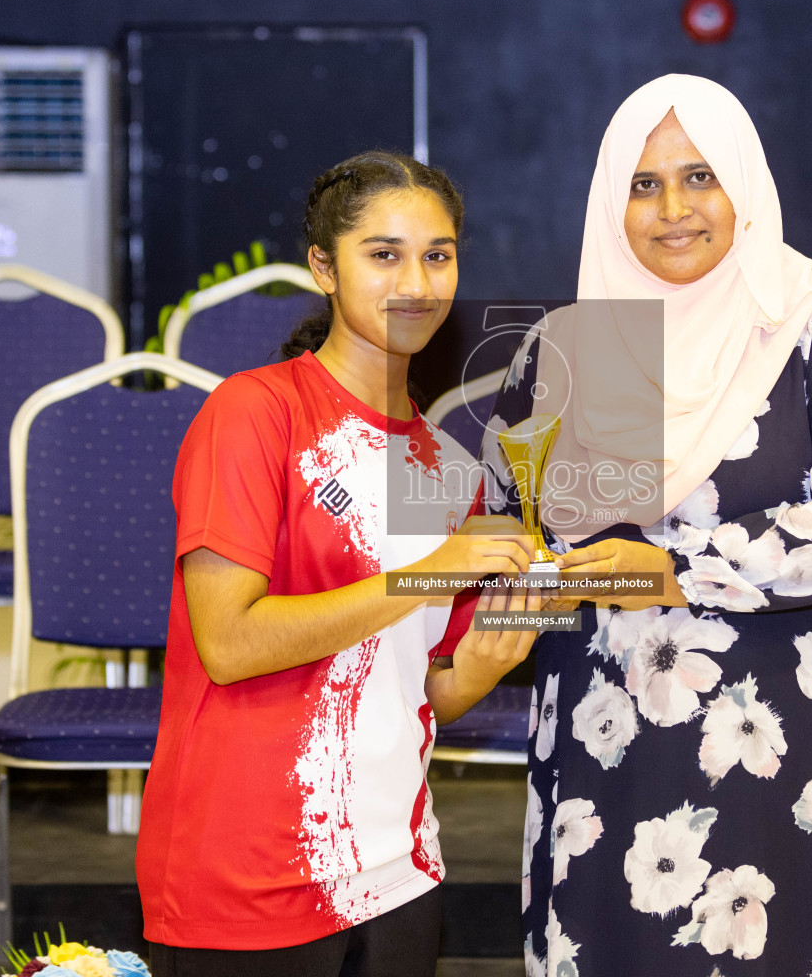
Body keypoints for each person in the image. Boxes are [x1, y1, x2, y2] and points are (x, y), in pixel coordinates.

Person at [482, 76, 812, 976]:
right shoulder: (562, 350)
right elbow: (509, 533)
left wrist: (673, 567)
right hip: (614, 749)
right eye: (644, 185)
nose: (674, 210)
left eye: (701, 177)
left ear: (745, 183)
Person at [136, 150, 544, 977]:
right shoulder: (255, 413)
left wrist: (487, 661)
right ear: (323, 267)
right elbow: (231, 642)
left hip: (399, 870)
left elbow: (421, 688)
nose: (418, 283)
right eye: (383, 254)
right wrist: (427, 575)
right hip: (248, 874)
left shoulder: (445, 466)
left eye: (438, 255)